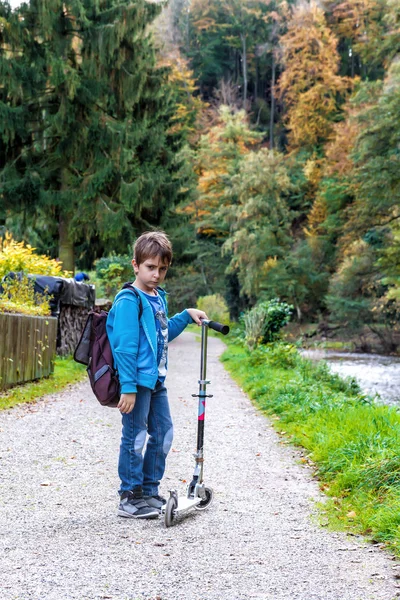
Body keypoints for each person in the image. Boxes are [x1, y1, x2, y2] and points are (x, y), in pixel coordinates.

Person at [106, 231, 208, 519]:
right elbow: (125, 348)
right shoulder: (129, 300)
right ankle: (129, 497)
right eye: (151, 267)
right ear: (135, 265)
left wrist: (186, 315)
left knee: (163, 434)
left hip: (155, 382)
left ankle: (149, 492)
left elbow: (162, 336)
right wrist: (127, 386)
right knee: (135, 436)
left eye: (162, 269)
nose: (157, 274)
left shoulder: (157, 298)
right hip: (136, 383)